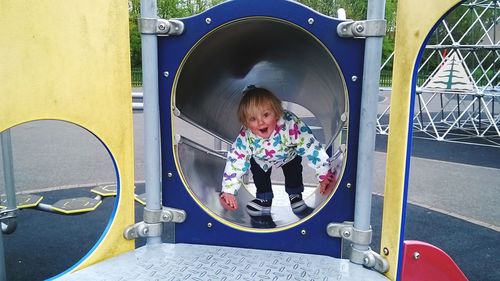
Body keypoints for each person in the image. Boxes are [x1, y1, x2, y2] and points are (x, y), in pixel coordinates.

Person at [219, 86, 335, 216]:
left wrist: (324, 174)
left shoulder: (290, 125)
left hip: (288, 154)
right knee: (258, 172)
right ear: (245, 123)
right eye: (252, 119)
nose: (260, 122)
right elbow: (236, 160)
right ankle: (264, 198)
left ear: (277, 112)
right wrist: (228, 190)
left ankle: (295, 195)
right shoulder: (246, 136)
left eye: (266, 115)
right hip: (261, 157)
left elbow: (312, 148)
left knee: (293, 171)